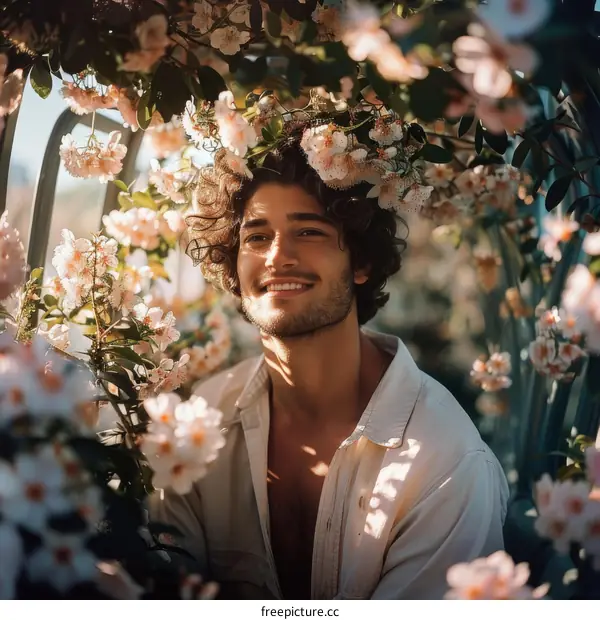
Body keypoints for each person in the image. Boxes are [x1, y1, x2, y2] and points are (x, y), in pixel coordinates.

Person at [150, 138, 510, 600]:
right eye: (256, 236)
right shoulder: (203, 420)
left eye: (309, 231)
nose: (277, 256)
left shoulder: (446, 461)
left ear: (360, 260)